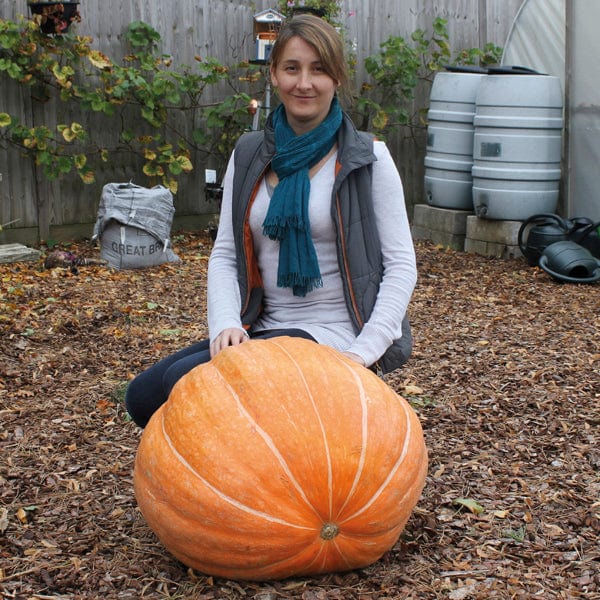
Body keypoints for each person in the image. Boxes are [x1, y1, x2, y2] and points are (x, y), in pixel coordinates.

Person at [125, 14, 417, 428]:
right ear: (275, 74)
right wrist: (225, 324)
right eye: (292, 68)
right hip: (263, 324)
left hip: (338, 333)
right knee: (144, 397)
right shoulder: (248, 155)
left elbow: (402, 266)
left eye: (319, 69)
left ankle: (252, 481)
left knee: (185, 385)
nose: (305, 83)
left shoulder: (369, 158)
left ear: (336, 78)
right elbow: (225, 253)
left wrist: (361, 354)